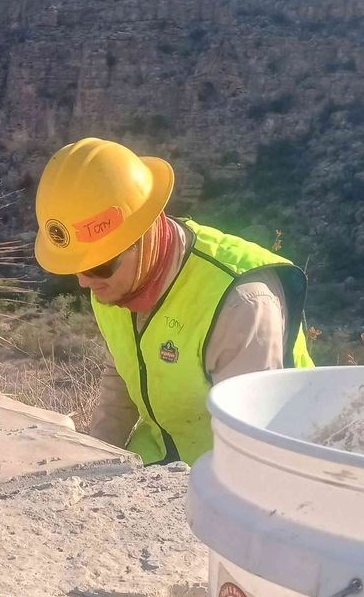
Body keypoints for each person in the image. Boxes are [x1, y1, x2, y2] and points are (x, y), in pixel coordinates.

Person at [34, 137, 313, 465]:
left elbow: (254, 442)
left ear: (147, 232)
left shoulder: (241, 304)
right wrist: (94, 459)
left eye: (98, 265)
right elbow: (123, 369)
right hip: (163, 453)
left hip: (238, 469)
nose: (85, 282)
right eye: (77, 268)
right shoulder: (111, 284)